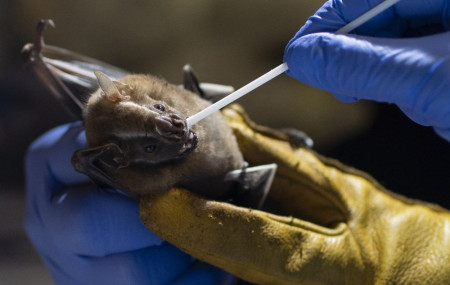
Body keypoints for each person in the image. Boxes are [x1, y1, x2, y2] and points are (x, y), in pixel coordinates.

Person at [24, 0, 450, 284]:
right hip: (242, 181)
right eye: (153, 145)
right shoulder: (132, 161)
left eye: (159, 112)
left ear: (143, 94)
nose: (168, 126)